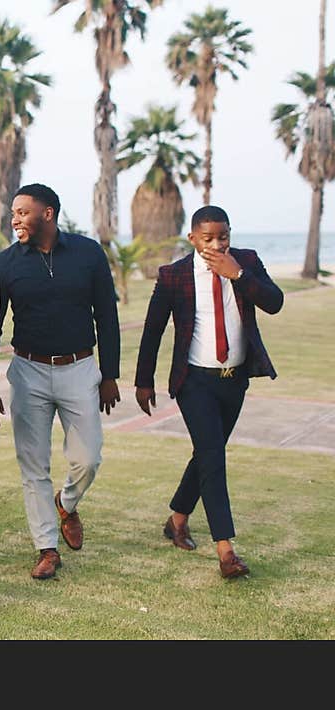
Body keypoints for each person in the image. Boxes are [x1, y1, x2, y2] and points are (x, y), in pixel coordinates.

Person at [0, 183, 120, 581]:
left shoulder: (88, 253)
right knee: (33, 465)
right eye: (13, 212)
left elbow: (107, 317)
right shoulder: (4, 263)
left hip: (80, 369)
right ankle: (46, 548)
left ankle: (67, 503)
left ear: (48, 213)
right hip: (28, 371)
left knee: (88, 458)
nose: (15, 219)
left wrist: (110, 374)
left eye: (23, 212)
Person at [134, 205, 283, 579]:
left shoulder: (246, 261)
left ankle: (177, 519)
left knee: (207, 453)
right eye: (208, 238)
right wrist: (143, 381)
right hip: (194, 381)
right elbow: (153, 330)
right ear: (192, 239)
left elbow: (275, 302)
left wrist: (238, 275)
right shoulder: (175, 275)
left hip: (234, 379)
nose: (217, 244)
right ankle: (226, 550)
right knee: (214, 457)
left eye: (224, 236)